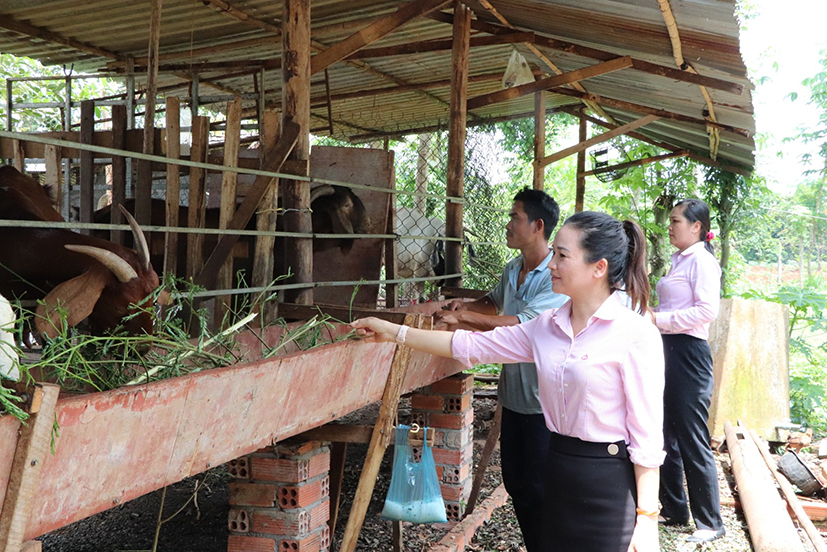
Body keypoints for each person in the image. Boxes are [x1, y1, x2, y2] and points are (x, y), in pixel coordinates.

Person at [354, 212, 664, 552]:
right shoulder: (547, 326)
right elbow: (469, 346)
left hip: (610, 484)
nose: (551, 266)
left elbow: (646, 435)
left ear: (598, 267)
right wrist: (394, 332)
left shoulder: (635, 335)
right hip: (557, 468)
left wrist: (647, 518)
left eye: (562, 256)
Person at [434, 187, 566, 552]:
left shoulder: (554, 277)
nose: (508, 224)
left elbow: (520, 324)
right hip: (514, 399)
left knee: (540, 490)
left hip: (544, 406)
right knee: (517, 484)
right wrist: (468, 304)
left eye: (515, 217)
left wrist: (462, 318)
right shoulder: (513, 269)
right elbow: (493, 303)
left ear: (538, 226)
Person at [650, 198, 725, 543]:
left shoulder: (704, 263)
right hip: (666, 349)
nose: (670, 226)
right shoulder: (679, 260)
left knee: (692, 439)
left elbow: (705, 311)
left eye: (676, 220)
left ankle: (710, 522)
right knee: (664, 433)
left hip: (689, 354)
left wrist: (658, 319)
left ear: (696, 227)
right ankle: (675, 510)